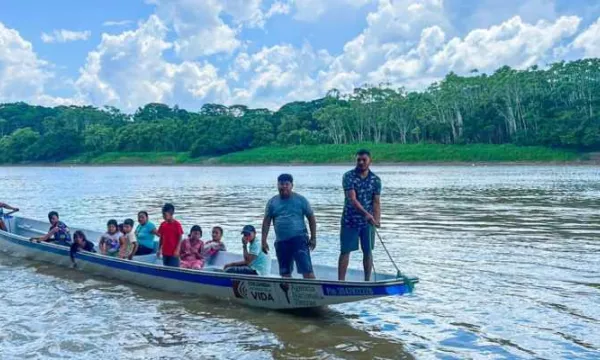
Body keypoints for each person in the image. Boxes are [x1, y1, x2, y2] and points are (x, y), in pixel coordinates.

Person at [261, 173, 317, 279]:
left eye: (287, 184)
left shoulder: (301, 200)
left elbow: (311, 218)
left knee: (307, 270)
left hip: (299, 239)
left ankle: (314, 292)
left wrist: (313, 237)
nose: (284, 187)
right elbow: (266, 222)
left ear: (292, 185)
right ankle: (287, 293)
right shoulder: (272, 202)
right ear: (278, 185)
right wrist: (263, 241)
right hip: (281, 241)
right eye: (281, 184)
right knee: (285, 273)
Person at [338, 149, 382, 281]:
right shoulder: (348, 176)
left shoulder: (376, 180)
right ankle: (341, 281)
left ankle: (367, 280)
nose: (361, 162)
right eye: (359, 160)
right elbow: (352, 199)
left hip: (367, 223)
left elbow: (376, 201)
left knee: (368, 252)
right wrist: (367, 214)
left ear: (370, 161)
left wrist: (377, 219)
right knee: (345, 251)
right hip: (349, 221)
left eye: (364, 160)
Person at [157, 203, 184, 267]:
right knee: (165, 267)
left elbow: (180, 238)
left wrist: (177, 249)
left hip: (173, 252)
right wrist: (159, 249)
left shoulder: (177, 225)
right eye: (162, 214)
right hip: (165, 251)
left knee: (174, 268)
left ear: (171, 213)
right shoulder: (163, 224)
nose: (163, 216)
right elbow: (161, 238)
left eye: (165, 214)